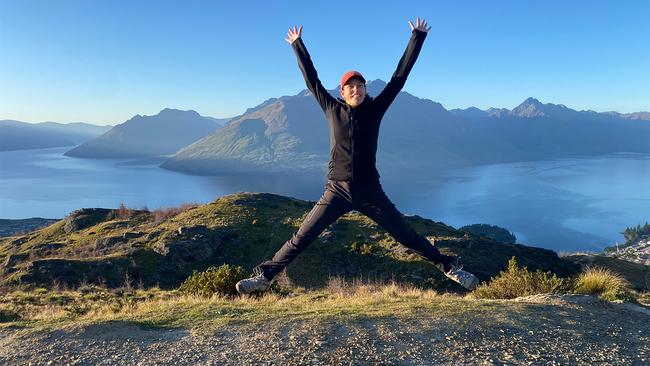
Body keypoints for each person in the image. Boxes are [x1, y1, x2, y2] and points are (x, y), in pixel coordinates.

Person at [236, 18, 478, 294]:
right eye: (351, 86)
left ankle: (451, 268)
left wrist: (417, 38)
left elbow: (399, 78)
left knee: (406, 236)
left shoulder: (376, 109)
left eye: (360, 85)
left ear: (365, 90)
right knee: (302, 237)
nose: (356, 89)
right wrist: (297, 45)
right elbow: (311, 79)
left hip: (370, 191)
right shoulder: (331, 108)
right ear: (342, 92)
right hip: (336, 190)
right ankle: (264, 278)